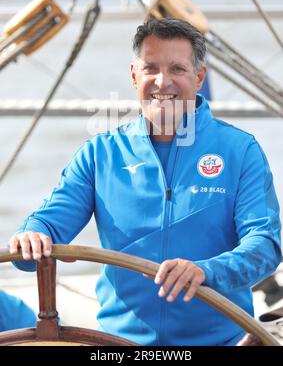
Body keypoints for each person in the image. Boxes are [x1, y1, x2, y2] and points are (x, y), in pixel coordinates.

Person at [9, 18, 281, 346]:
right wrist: (32, 235)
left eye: (177, 69)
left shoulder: (241, 150)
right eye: (150, 68)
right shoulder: (100, 154)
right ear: (134, 75)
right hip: (118, 345)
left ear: (199, 77)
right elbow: (44, 231)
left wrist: (206, 271)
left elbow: (265, 244)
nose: (162, 82)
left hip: (221, 341)